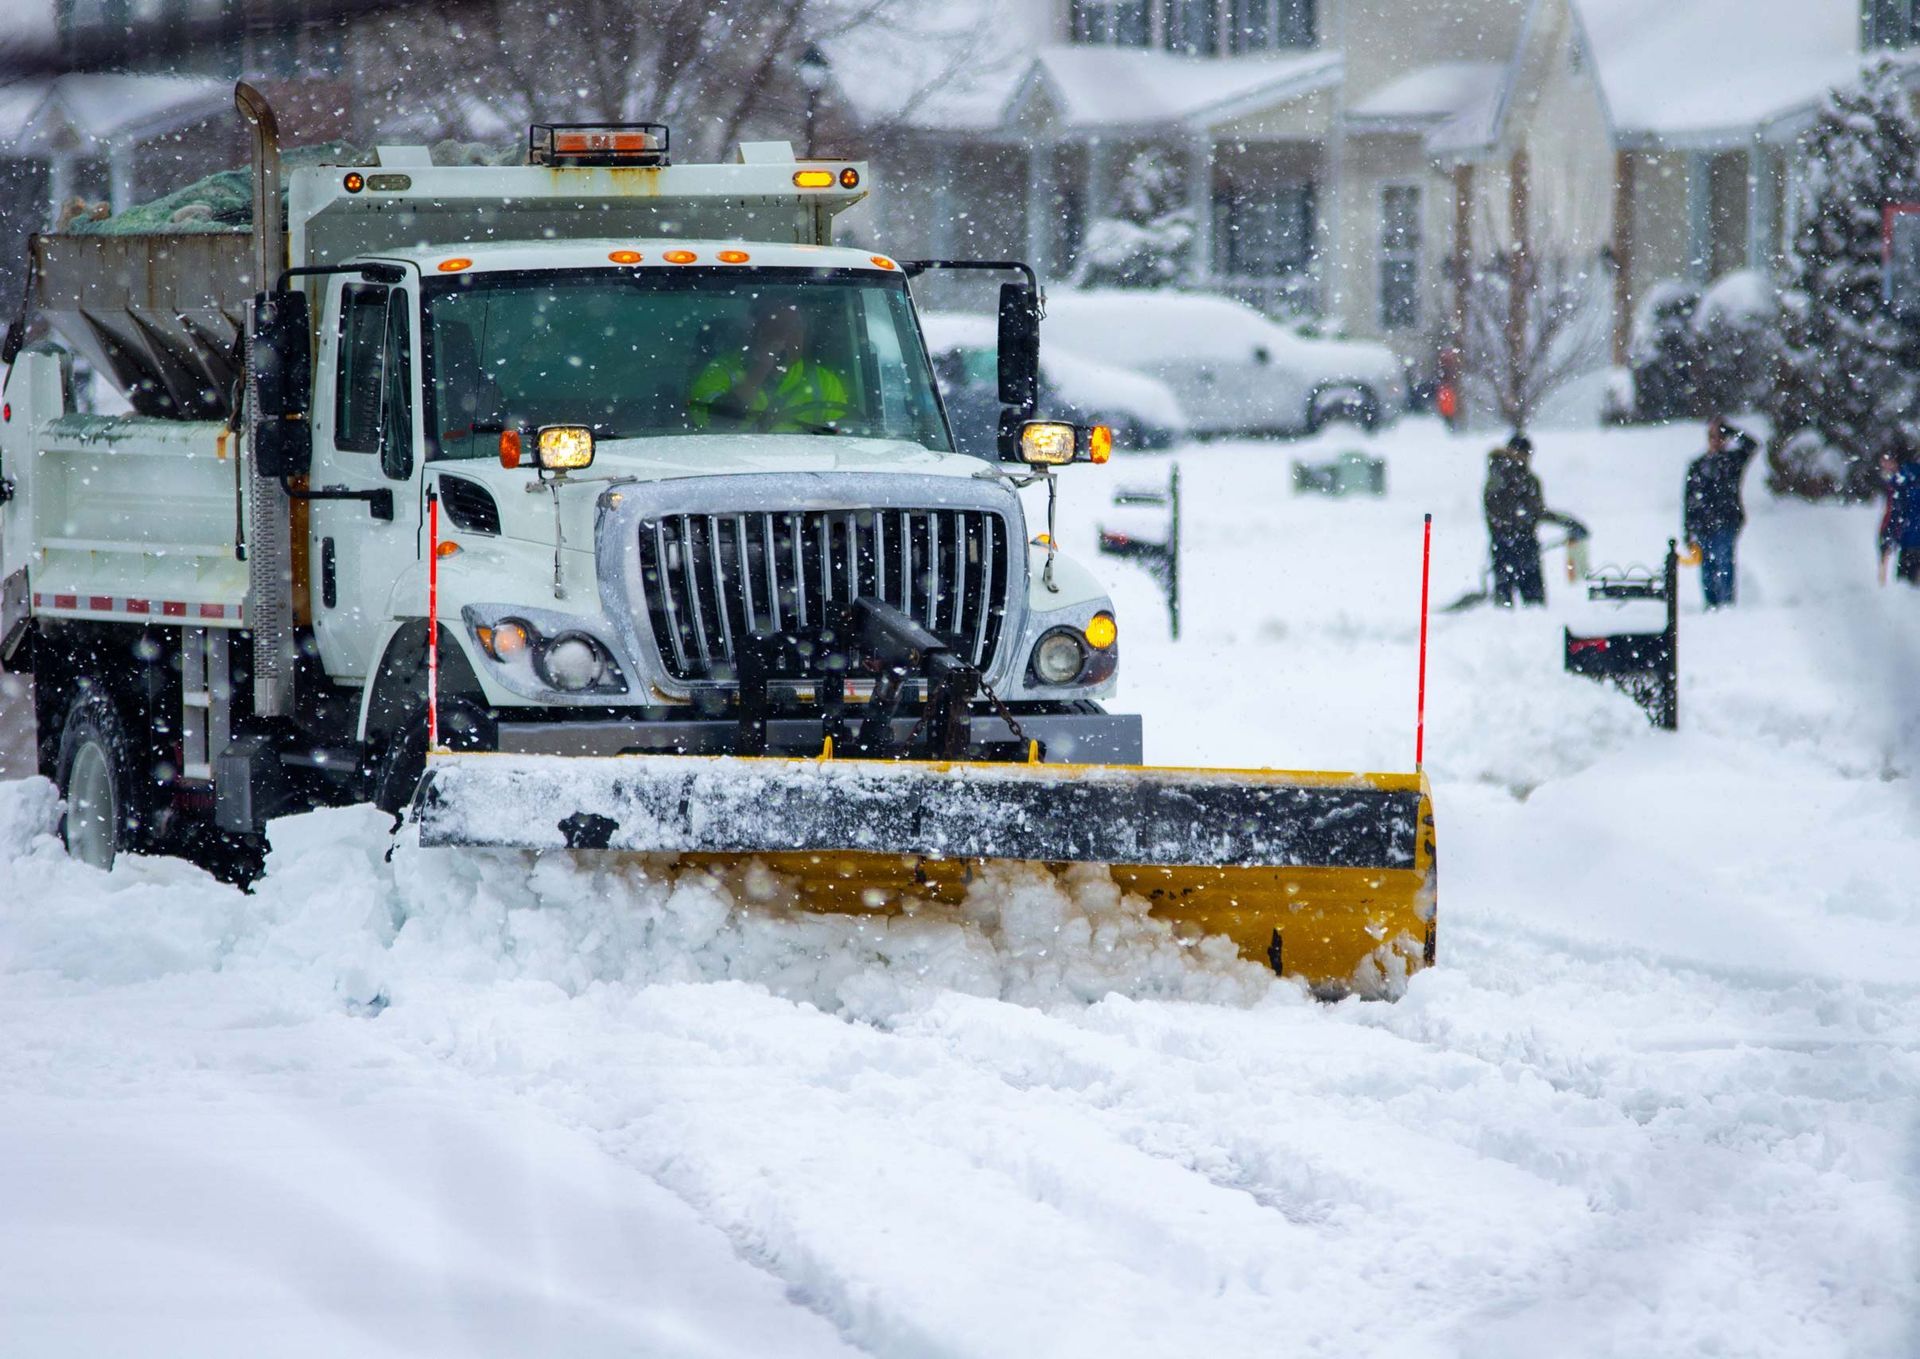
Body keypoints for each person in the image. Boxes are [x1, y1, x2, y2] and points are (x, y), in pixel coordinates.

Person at [689, 299, 850, 434]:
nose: (785, 337)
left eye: (794, 329)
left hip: (800, 464)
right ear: (754, 334)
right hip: (732, 462)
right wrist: (759, 370)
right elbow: (717, 424)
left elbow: (841, 439)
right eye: (775, 328)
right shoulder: (721, 370)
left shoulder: (823, 381)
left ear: (804, 336)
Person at [1483, 433, 1579, 606]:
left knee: (1535, 604)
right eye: (1522, 453)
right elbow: (1498, 513)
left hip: (1526, 546)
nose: (1525, 458)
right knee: (1503, 607)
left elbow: (1538, 511)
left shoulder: (1530, 480)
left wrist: (1565, 521)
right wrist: (1519, 524)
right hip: (1505, 545)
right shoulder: (1499, 477)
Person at [1682, 417, 1759, 608]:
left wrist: (1730, 430)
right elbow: (1689, 499)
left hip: (1726, 520)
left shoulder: (1732, 461)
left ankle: (1726, 604)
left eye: (1719, 437)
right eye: (1712, 436)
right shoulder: (1698, 465)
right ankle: (1711, 604)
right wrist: (1688, 530)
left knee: (1724, 562)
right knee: (1707, 566)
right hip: (1703, 523)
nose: (1715, 441)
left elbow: (1751, 445)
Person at [1879, 449, 1920, 586]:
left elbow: (1895, 512)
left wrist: (1887, 536)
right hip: (1911, 538)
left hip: (1910, 541)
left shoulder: (1901, 481)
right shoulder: (1904, 480)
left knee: (1907, 588)